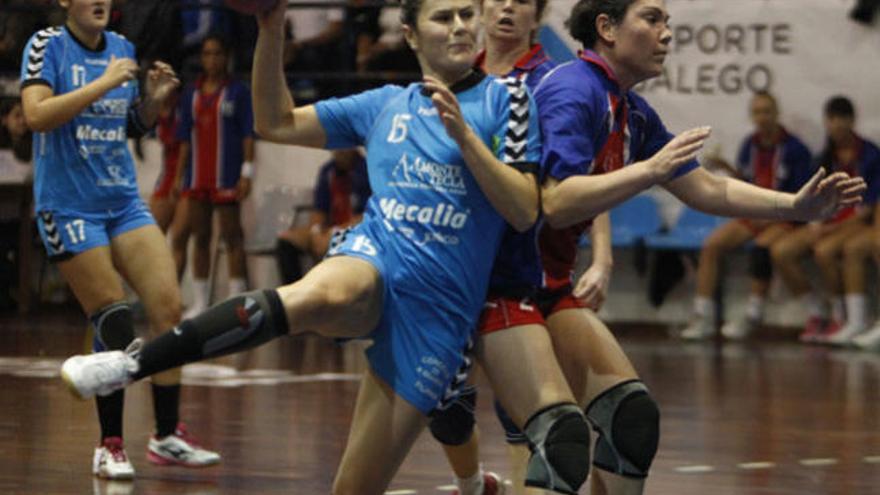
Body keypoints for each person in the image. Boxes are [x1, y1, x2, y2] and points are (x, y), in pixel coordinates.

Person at [60, 2, 595, 495]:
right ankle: (128, 366)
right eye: (441, 17)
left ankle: (475, 482)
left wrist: (466, 138)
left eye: (463, 15)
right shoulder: (386, 103)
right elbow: (276, 121)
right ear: (409, 34)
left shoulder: (510, 100)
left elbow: (525, 209)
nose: (458, 26)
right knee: (315, 295)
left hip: (439, 312)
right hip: (376, 256)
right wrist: (269, 29)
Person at [514, 1, 863, 493]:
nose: (667, 34)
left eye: (668, 22)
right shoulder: (575, 90)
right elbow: (555, 202)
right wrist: (649, 171)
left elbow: (705, 188)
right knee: (559, 441)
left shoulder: (629, 108)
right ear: (607, 28)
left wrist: (794, 207)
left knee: (629, 421)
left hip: (545, 286)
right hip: (499, 289)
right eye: (653, 19)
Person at [20, 0, 220, 479]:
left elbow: (127, 124)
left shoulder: (124, 48)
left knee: (169, 310)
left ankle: (167, 435)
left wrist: (153, 100)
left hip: (123, 201)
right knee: (113, 319)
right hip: (69, 206)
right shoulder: (47, 46)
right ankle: (109, 444)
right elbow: (36, 116)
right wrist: (103, 83)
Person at [679, 92, 813, 340]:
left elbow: (801, 197)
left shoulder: (796, 149)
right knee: (712, 245)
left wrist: (775, 214)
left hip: (783, 217)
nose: (762, 117)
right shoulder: (749, 145)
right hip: (753, 213)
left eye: (767, 111)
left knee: (762, 248)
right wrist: (726, 168)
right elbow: (745, 182)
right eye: (757, 112)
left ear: (776, 113)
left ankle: (753, 315)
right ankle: (704, 316)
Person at [769, 96, 880, 345]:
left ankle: (848, 318)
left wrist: (830, 227)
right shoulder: (824, 157)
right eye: (831, 119)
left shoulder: (871, 154)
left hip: (854, 222)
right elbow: (814, 196)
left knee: (825, 250)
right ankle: (817, 312)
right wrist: (816, 223)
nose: (837, 125)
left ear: (852, 121)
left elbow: (868, 209)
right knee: (782, 251)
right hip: (826, 219)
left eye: (842, 119)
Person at [177, 33, 256, 316]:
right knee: (200, 237)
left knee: (232, 237)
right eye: (207, 53)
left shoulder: (238, 92)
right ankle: (200, 302)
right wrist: (178, 177)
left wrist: (247, 173)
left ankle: (238, 301)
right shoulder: (191, 94)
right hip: (198, 177)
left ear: (227, 57)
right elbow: (184, 138)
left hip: (227, 175)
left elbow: (248, 134)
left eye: (217, 53)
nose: (212, 59)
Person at [276, 148, 371, 285]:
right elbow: (319, 210)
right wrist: (316, 232)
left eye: (343, 148)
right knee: (287, 241)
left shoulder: (366, 171)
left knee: (336, 243)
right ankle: (296, 291)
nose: (339, 152)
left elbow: (366, 217)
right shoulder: (328, 171)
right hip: (329, 229)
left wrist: (334, 233)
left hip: (355, 231)